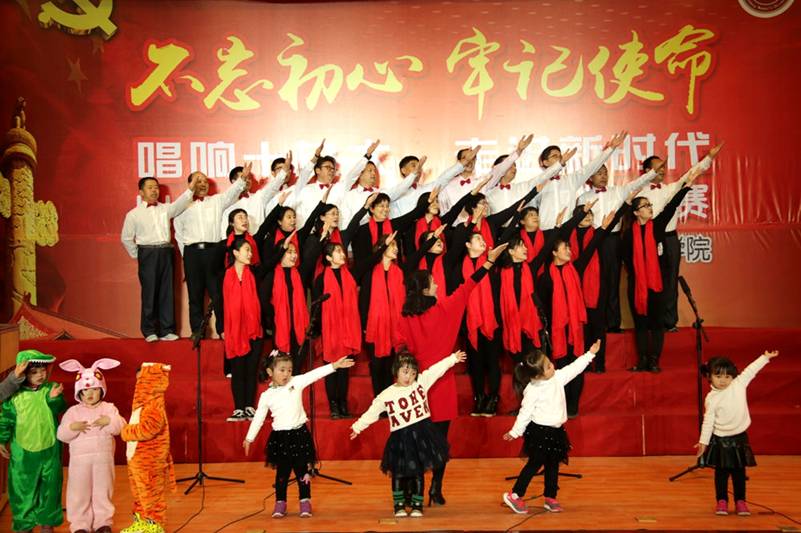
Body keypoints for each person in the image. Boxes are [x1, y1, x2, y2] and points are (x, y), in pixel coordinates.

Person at [398, 242, 506, 505]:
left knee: (415, 440)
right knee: (439, 441)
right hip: (442, 383)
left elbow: (400, 348)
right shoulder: (445, 309)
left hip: (415, 383)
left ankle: (415, 491)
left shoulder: (405, 316)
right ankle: (436, 488)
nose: (437, 285)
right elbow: (469, 285)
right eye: (433, 282)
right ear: (425, 289)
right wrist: (489, 261)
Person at [350, 350, 467, 518]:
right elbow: (373, 411)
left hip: (421, 436)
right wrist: (358, 426)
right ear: (396, 371)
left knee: (418, 471)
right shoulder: (387, 394)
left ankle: (417, 505)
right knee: (398, 472)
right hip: (400, 438)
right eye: (405, 372)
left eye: (413, 373)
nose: (409, 377)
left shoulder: (420, 383)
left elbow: (436, 370)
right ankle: (398, 505)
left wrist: (452, 359)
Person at [243, 351, 354, 518]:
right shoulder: (266, 396)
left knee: (302, 471)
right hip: (281, 438)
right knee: (282, 473)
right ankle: (280, 502)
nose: (286, 374)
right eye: (282, 370)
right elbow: (258, 417)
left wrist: (334, 366)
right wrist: (249, 438)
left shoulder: (296, 382)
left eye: (289, 370)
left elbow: (314, 374)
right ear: (270, 372)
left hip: (299, 435)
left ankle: (305, 501)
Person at [501, 340, 601, 515]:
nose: (552, 366)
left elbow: (574, 368)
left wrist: (590, 354)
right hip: (539, 432)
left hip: (556, 431)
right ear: (537, 376)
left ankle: (550, 497)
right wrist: (515, 432)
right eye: (548, 367)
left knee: (553, 465)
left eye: (550, 363)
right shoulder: (532, 390)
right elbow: (525, 413)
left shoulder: (557, 377)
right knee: (534, 464)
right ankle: (515, 495)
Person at [622, 164, 706, 372]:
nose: (650, 208)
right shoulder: (628, 235)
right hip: (637, 286)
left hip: (656, 285)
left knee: (656, 323)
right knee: (641, 324)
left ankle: (654, 361)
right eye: (645, 206)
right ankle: (642, 360)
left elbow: (672, 205)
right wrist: (638, 278)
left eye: (650, 205)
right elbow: (626, 261)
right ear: (636, 212)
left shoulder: (658, 225)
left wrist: (687, 185)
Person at [640, 143, 723, 331]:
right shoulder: (640, 193)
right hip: (648, 240)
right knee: (648, 281)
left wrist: (708, 158)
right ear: (647, 171)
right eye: (658, 167)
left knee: (670, 280)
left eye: (664, 167)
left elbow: (689, 175)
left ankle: (669, 322)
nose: (663, 171)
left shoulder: (670, 188)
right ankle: (650, 322)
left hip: (670, 240)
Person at [576, 161, 659, 334]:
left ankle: (613, 323)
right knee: (597, 282)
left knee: (613, 281)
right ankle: (598, 322)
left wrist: (652, 173)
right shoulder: (583, 198)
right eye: (599, 173)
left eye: (605, 173)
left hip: (613, 241)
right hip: (593, 240)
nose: (603, 176)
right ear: (590, 177)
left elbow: (637, 183)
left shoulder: (618, 191)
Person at [695, 350, 778, 516]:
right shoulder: (711, 398)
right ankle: (722, 501)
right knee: (721, 473)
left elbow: (751, 370)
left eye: (727, 376)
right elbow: (708, 421)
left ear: (733, 376)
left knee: (739, 473)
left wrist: (765, 357)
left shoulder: (738, 385)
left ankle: (740, 501)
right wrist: (703, 442)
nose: (723, 380)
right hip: (720, 439)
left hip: (739, 438)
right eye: (718, 376)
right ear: (709, 377)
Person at [174, 166, 248, 338]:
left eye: (205, 181)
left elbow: (232, 193)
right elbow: (179, 235)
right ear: (190, 184)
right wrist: (187, 258)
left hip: (213, 252)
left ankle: (223, 330)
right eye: (198, 181)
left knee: (218, 294)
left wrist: (242, 179)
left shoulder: (216, 201)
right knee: (195, 295)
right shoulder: (181, 206)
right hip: (192, 253)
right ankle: (198, 331)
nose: (203, 184)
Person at [121, 175, 197, 341]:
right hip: (147, 253)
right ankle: (149, 331)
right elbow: (126, 238)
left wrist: (191, 189)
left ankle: (167, 330)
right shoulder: (133, 214)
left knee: (167, 291)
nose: (154, 190)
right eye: (150, 187)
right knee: (149, 293)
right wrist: (139, 255)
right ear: (141, 192)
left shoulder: (165, 209)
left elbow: (180, 204)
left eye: (156, 187)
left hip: (166, 251)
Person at [57, 358, 126, 533]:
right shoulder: (73, 412)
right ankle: (80, 524)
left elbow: (121, 427)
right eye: (85, 390)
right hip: (80, 463)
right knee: (79, 493)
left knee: (103, 491)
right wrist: (72, 427)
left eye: (95, 389)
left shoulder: (108, 408)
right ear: (79, 392)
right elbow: (61, 434)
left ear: (102, 390)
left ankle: (103, 522)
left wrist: (109, 421)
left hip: (103, 460)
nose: (90, 393)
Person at [0, 350, 65, 533]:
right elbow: (6, 419)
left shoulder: (49, 388)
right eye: (34, 372)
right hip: (23, 454)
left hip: (49, 451)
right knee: (22, 488)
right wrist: (2, 439)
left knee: (50, 488)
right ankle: (23, 524)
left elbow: (60, 408)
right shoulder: (15, 395)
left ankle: (47, 523)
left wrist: (54, 399)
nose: (40, 375)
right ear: (23, 373)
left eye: (42, 370)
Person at [534, 131, 627, 230]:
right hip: (545, 231)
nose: (560, 159)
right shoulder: (537, 183)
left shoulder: (571, 180)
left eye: (560, 156)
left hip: (567, 231)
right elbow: (530, 209)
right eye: (555, 156)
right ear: (545, 162)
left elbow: (592, 166)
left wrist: (611, 148)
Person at [120, 363, 174, 533]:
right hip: (136, 459)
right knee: (139, 494)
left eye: (143, 380)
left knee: (151, 495)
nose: (140, 385)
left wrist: (126, 432)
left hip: (149, 462)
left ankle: (154, 525)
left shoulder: (153, 405)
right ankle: (142, 522)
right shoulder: (141, 404)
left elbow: (148, 428)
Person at [312, 242, 362, 419]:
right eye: (338, 251)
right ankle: (333, 404)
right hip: (330, 330)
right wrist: (318, 329)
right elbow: (317, 307)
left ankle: (342, 403)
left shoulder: (350, 275)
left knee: (344, 369)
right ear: (328, 257)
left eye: (342, 251)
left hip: (348, 329)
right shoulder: (321, 280)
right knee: (331, 369)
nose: (343, 254)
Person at [222, 237, 270, 421]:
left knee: (251, 370)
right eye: (246, 250)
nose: (250, 254)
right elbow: (221, 304)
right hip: (235, 331)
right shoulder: (226, 276)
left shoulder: (254, 274)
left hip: (254, 330)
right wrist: (221, 328)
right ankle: (238, 408)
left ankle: (249, 407)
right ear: (235, 253)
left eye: (250, 250)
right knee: (238, 370)